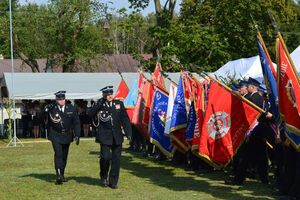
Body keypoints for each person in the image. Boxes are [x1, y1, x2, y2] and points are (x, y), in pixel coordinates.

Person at [88, 86, 132, 189]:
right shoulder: (100, 104)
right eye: (107, 94)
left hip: (117, 136)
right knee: (105, 157)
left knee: (116, 160)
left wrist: (129, 133)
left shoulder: (118, 104)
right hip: (104, 136)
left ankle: (113, 182)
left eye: (111, 93)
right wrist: (97, 105)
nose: (110, 96)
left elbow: (125, 119)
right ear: (103, 95)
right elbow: (89, 114)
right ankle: (103, 176)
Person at [40, 91, 81, 184]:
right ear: (56, 100)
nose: (61, 101)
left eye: (63, 99)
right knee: (58, 154)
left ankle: (62, 174)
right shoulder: (52, 108)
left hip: (67, 135)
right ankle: (58, 175)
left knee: (64, 156)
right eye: (59, 99)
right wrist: (45, 110)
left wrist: (77, 134)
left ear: (65, 99)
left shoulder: (71, 108)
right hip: (55, 134)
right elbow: (39, 117)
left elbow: (76, 122)